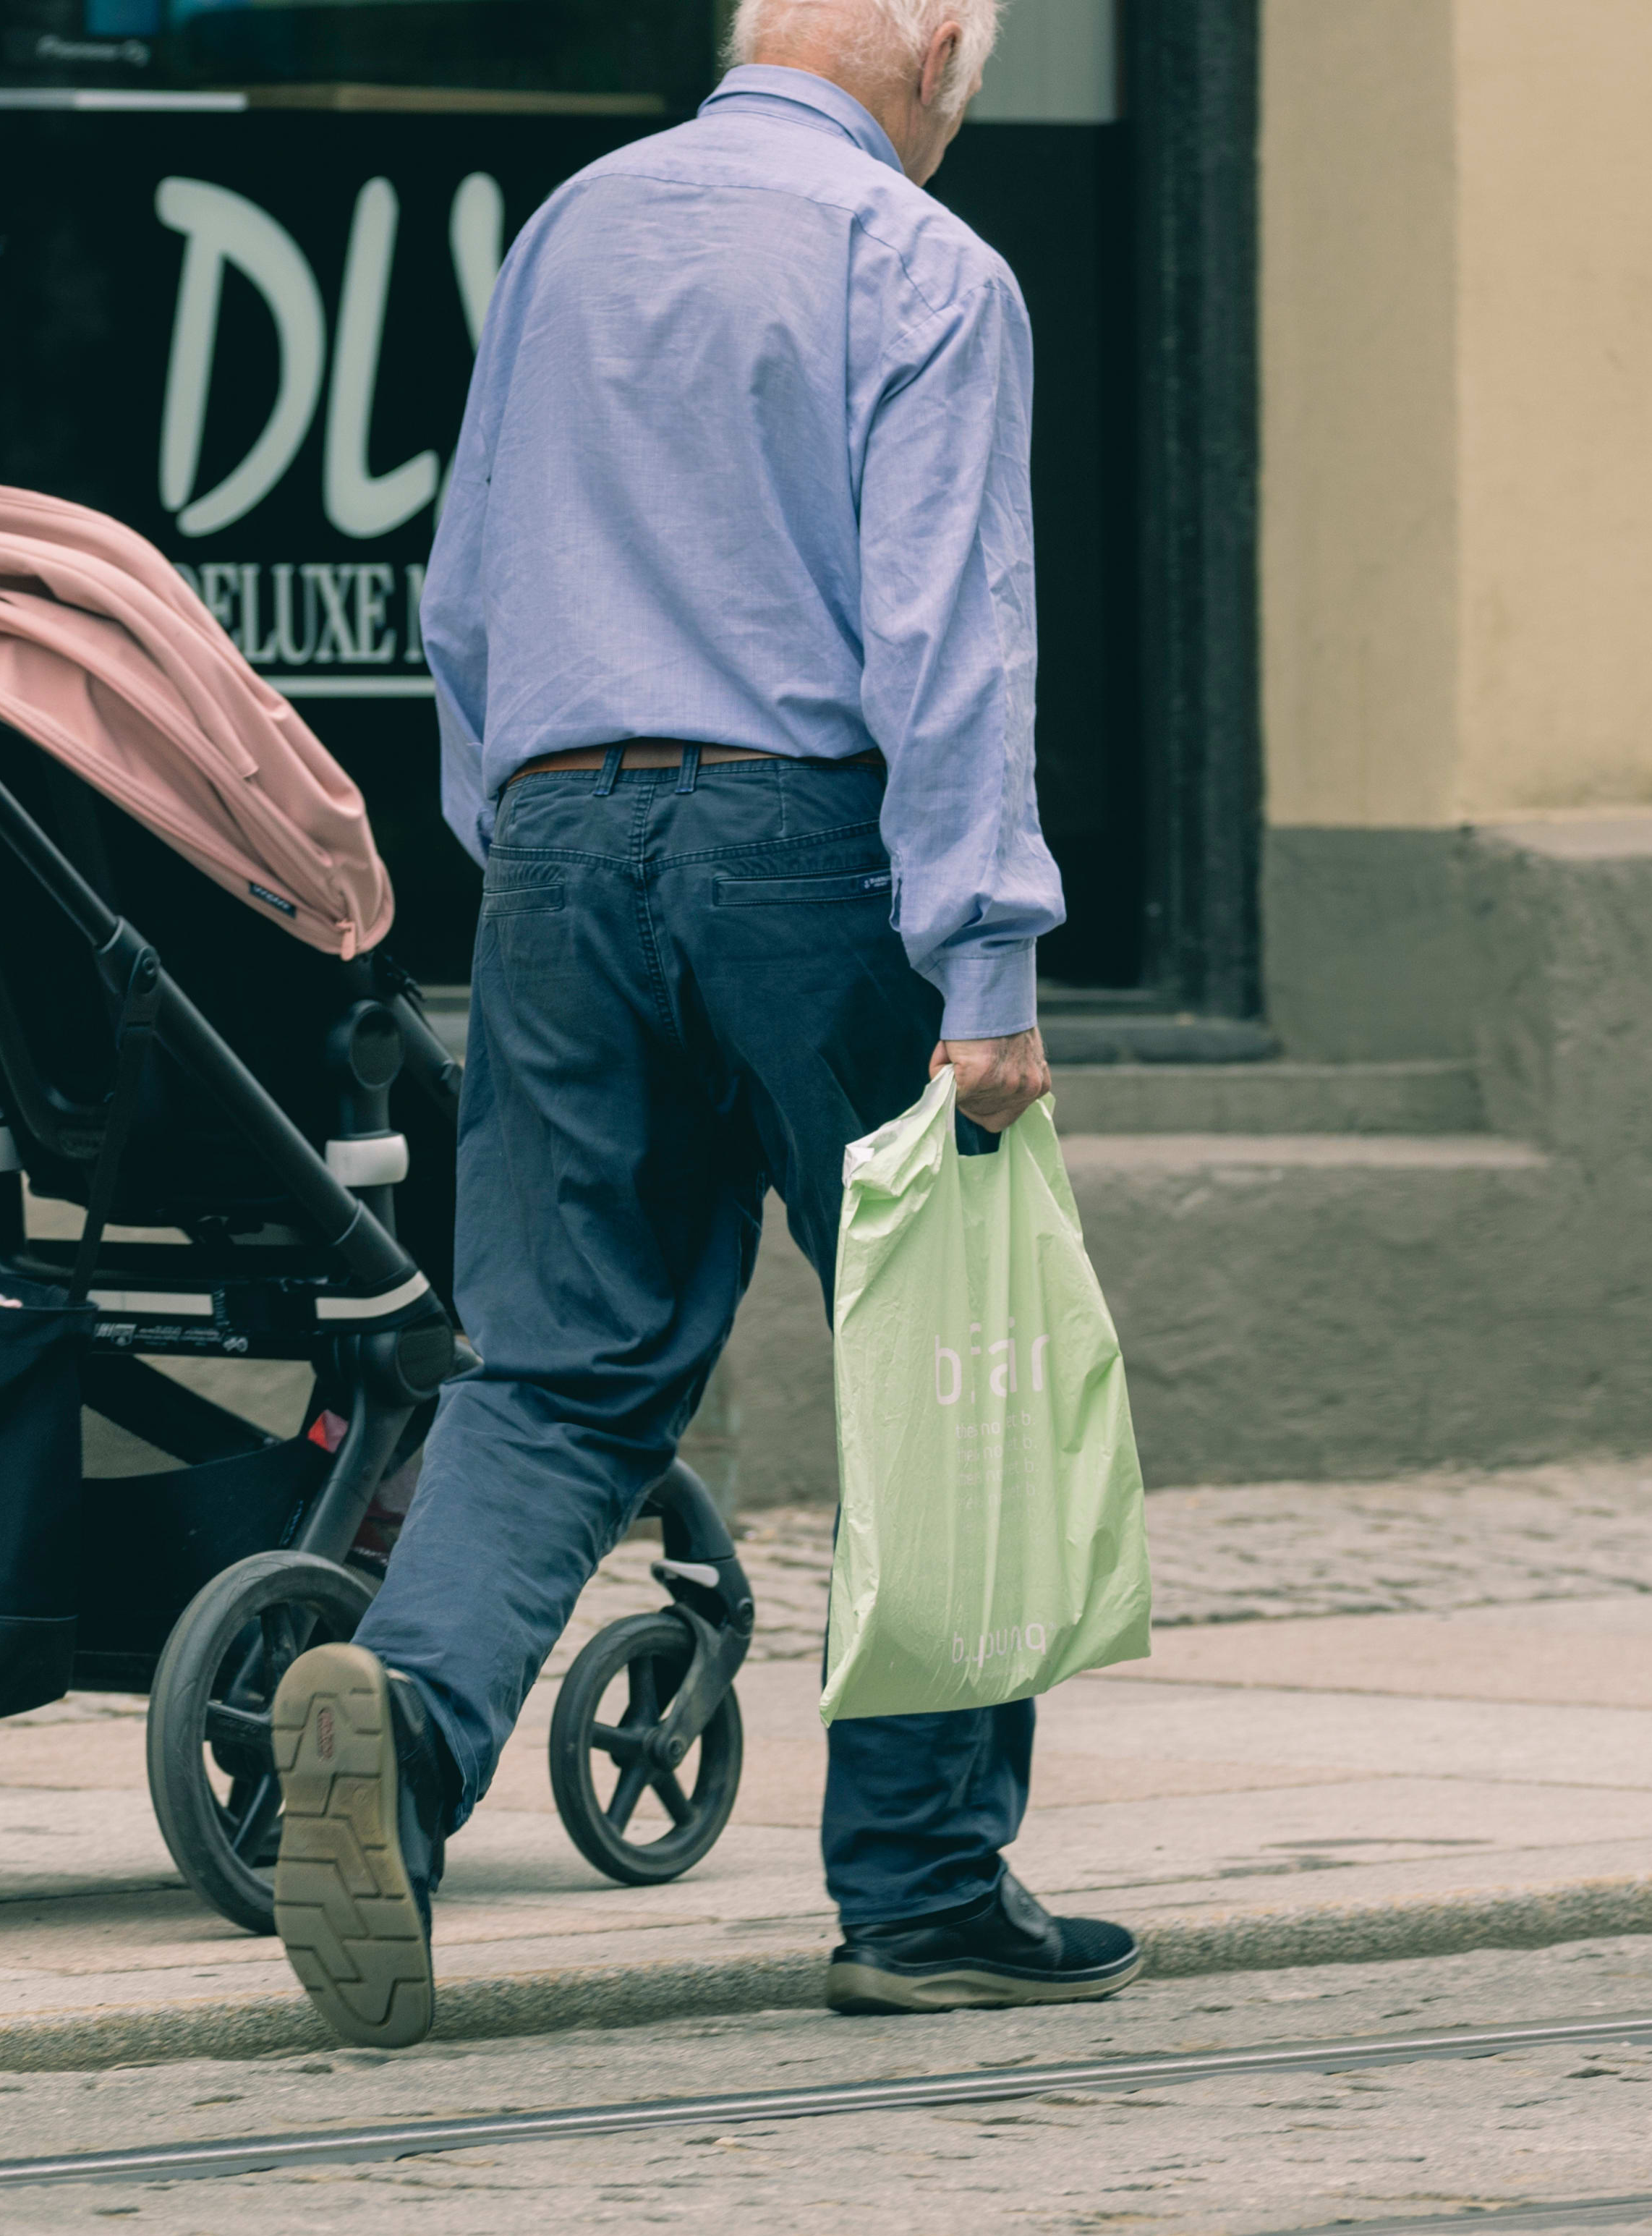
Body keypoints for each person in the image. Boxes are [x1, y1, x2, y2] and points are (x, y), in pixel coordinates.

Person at [264, 0, 1146, 2039]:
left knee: (556, 1368)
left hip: (561, 841)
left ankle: (402, 1728)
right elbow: (948, 627)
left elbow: (464, 589)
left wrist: (538, 843)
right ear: (934, 50)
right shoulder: (919, 260)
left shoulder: (576, 222)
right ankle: (922, 1892)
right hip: (812, 847)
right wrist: (987, 958)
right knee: (941, 1360)